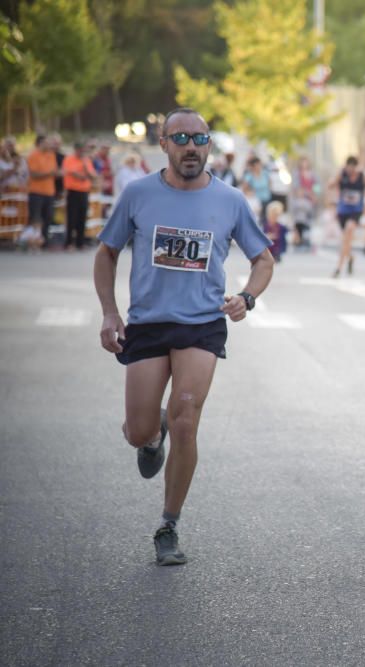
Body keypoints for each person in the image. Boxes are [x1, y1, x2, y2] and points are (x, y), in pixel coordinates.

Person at [93, 107, 275, 566]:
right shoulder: (138, 194)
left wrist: (246, 299)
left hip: (202, 324)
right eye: (181, 138)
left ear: (209, 145)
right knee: (138, 431)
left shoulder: (230, 200)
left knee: (187, 416)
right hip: (149, 322)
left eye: (200, 138)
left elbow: (264, 260)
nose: (191, 147)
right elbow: (107, 252)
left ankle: (168, 524)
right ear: (164, 143)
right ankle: (152, 435)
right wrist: (110, 312)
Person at [328, 156, 365, 277]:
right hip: (342, 211)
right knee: (346, 240)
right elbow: (330, 185)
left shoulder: (363, 176)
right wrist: (332, 205)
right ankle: (350, 257)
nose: (351, 172)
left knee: (349, 231)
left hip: (356, 211)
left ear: (356, 167)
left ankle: (338, 268)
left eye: (353, 169)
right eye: (349, 169)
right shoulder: (342, 174)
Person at [62, 140, 98, 251]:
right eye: (80, 150)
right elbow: (73, 173)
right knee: (72, 218)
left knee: (82, 217)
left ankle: (80, 242)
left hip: (84, 191)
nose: (82, 152)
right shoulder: (69, 159)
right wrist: (84, 175)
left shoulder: (86, 160)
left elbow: (93, 175)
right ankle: (69, 243)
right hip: (73, 191)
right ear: (76, 150)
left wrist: (85, 168)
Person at [26, 134, 59, 246]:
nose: (48, 145)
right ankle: (34, 242)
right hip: (36, 191)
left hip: (50, 192)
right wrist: (49, 173)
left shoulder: (51, 155)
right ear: (39, 143)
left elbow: (54, 171)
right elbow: (34, 174)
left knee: (48, 217)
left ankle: (44, 241)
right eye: (46, 142)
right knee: (36, 218)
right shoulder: (33, 156)